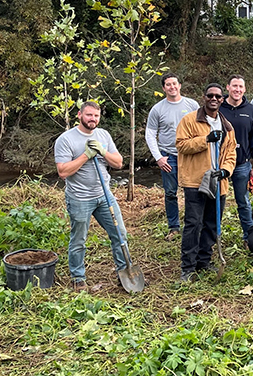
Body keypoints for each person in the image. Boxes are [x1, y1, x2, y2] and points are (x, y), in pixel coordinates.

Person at [54, 101, 127, 291]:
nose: (93, 119)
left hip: (104, 195)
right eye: (89, 115)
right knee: (79, 239)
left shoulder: (103, 135)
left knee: (120, 234)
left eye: (96, 116)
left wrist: (103, 151)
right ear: (79, 115)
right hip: (79, 198)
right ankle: (78, 278)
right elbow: (63, 171)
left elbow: (118, 162)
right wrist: (86, 155)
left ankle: (124, 272)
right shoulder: (66, 139)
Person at [176, 83, 237, 282]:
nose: (213, 99)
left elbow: (231, 153)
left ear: (222, 99)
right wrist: (206, 139)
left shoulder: (227, 126)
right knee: (194, 223)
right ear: (204, 97)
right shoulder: (189, 120)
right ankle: (188, 267)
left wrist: (225, 171)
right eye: (210, 95)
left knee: (212, 223)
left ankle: (204, 260)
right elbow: (181, 145)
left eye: (218, 96)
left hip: (217, 181)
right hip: (196, 181)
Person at [145, 73, 199, 238]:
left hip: (190, 156)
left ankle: (193, 224)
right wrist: (158, 158)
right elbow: (150, 134)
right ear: (163, 88)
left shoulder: (192, 105)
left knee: (192, 191)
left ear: (180, 85)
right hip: (168, 156)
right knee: (170, 193)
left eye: (174, 83)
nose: (172, 87)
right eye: (168, 84)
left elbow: (202, 128)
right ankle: (174, 227)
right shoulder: (158, 109)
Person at [219, 75, 253, 244]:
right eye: (234, 86)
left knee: (243, 201)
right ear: (228, 87)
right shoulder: (218, 108)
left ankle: (248, 236)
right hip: (220, 164)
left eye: (240, 87)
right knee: (217, 201)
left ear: (244, 89)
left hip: (242, 164)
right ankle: (214, 235)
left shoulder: (251, 110)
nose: (237, 89)